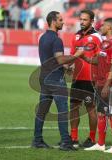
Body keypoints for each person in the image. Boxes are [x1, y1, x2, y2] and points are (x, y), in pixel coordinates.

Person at [32, 11, 83, 151]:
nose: (63, 22)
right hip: (55, 79)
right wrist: (76, 55)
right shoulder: (56, 39)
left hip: (44, 78)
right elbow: (60, 59)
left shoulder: (42, 37)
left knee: (42, 111)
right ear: (53, 21)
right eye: (60, 20)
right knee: (62, 111)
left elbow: (52, 59)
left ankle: (37, 140)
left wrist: (65, 67)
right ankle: (66, 142)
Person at [83, 18, 112, 153]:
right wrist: (86, 58)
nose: (100, 26)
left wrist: (107, 84)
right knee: (101, 113)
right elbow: (100, 60)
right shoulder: (104, 43)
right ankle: (100, 144)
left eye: (104, 25)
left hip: (110, 84)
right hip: (101, 83)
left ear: (110, 28)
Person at [69, 9, 102, 148]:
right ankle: (74, 138)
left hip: (90, 79)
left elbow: (101, 59)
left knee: (90, 108)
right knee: (73, 107)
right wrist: (69, 66)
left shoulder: (97, 37)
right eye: (81, 19)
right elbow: (72, 55)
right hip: (77, 78)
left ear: (92, 21)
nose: (82, 22)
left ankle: (91, 138)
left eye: (85, 20)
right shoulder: (75, 36)